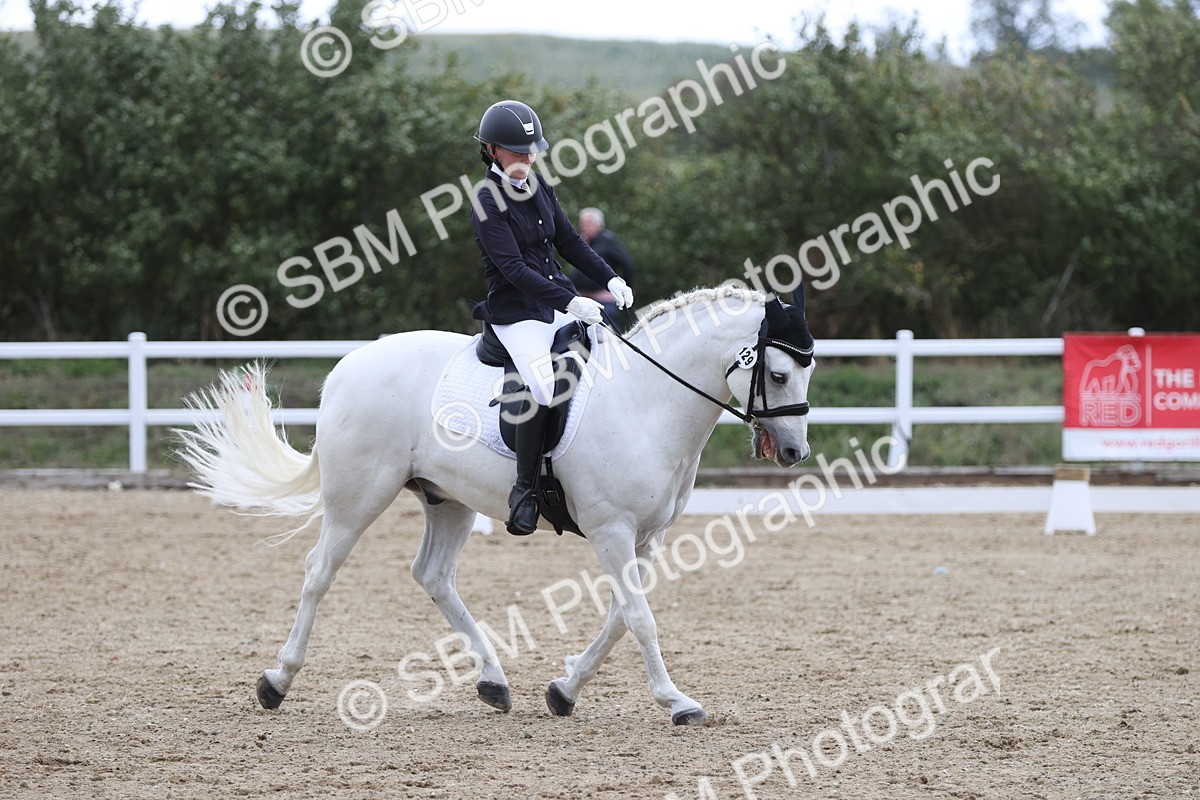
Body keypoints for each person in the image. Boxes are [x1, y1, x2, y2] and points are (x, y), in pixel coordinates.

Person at [469, 99, 634, 536]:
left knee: (609, 352)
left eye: (530, 151)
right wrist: (571, 300)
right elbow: (513, 270)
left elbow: (568, 241)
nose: (525, 158)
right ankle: (525, 490)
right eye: (515, 151)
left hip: (554, 304)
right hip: (516, 314)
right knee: (543, 387)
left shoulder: (539, 185)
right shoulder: (486, 200)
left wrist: (609, 276)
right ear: (491, 150)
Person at [570, 208, 635, 325]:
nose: (584, 227)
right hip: (583, 301)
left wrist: (625, 289)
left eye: (588, 223)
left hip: (604, 302)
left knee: (608, 339)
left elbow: (627, 262)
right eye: (582, 223)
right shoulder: (582, 242)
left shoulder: (608, 240)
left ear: (598, 225)